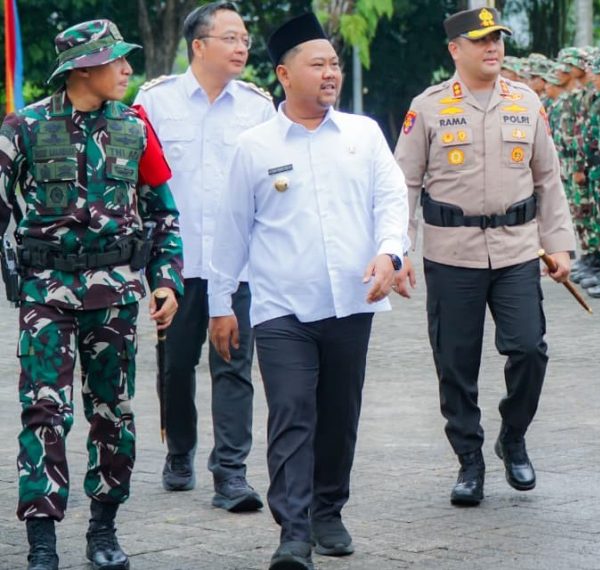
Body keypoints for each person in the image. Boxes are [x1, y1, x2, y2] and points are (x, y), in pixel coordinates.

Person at [207, 12, 409, 569]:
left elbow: (392, 201)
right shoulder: (254, 146)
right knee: (292, 410)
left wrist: (391, 251)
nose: (330, 74)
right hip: (280, 309)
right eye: (317, 64)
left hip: (352, 300)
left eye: (335, 65)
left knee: (339, 413)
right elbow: (231, 231)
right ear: (284, 74)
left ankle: (328, 511)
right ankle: (293, 533)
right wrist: (221, 306)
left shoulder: (364, 135)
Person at [0, 19, 183, 570]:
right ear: (83, 67)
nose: (128, 69)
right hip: (45, 293)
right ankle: (41, 543)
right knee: (43, 411)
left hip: (115, 296)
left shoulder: (136, 126)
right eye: (116, 59)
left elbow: (164, 214)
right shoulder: (22, 128)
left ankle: (103, 530)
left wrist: (167, 279)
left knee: (112, 413)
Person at [393, 7, 575, 508]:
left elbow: (547, 179)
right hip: (452, 254)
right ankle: (469, 461)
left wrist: (560, 245)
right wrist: (398, 250)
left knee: (529, 349)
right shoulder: (427, 108)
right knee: (456, 363)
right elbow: (403, 184)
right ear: (456, 50)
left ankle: (512, 436)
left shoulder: (525, 101)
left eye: (497, 38)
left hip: (517, 249)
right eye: (481, 40)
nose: (493, 47)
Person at [133, 0, 274, 511]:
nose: (242, 47)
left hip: (235, 267)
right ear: (200, 45)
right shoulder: (156, 101)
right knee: (176, 366)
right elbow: (140, 184)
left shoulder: (259, 107)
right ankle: (180, 451)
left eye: (245, 39)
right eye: (231, 38)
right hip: (177, 265)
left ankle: (230, 473)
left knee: (234, 363)